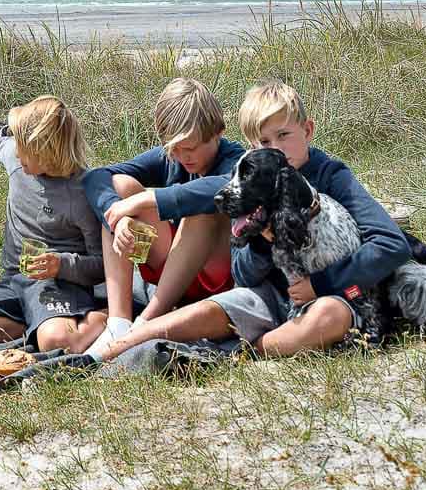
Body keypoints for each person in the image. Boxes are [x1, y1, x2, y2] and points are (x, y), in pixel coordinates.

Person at [101, 80, 410, 361]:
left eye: (284, 135)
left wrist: (320, 284)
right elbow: (243, 273)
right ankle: (115, 349)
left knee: (328, 316)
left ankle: (247, 350)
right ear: (252, 148)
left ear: (308, 131)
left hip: (328, 296)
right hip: (268, 296)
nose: (275, 148)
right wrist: (262, 241)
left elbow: (392, 244)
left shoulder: (332, 175)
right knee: (209, 311)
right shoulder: (250, 188)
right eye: (263, 142)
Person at [82, 78, 241, 358]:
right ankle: (119, 322)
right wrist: (119, 219)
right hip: (174, 268)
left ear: (218, 133)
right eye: (174, 149)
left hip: (218, 275)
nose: (182, 157)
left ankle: (147, 320)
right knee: (121, 187)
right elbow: (97, 177)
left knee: (200, 208)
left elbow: (227, 186)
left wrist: (148, 198)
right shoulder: (174, 155)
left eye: (190, 148)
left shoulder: (237, 159)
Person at [0, 95, 106, 352]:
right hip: (16, 281)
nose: (16, 151)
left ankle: (100, 317)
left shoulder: (84, 192)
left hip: (60, 286)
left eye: (23, 148)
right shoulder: (18, 159)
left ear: (46, 152)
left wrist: (61, 265)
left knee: (56, 342)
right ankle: (31, 328)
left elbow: (102, 265)